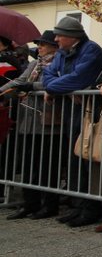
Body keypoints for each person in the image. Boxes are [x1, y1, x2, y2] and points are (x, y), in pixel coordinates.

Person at [41, 16, 102, 228]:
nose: (57, 39)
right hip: (74, 110)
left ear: (72, 36)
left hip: (90, 111)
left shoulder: (90, 50)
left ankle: (90, 208)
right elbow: (47, 76)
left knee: (87, 157)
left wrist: (54, 87)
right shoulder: (63, 52)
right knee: (75, 158)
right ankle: (78, 206)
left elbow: (79, 79)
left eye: (60, 35)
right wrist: (55, 86)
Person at [2, 30, 61, 220]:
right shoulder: (35, 63)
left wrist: (32, 87)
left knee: (46, 165)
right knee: (28, 164)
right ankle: (29, 203)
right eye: (39, 44)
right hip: (28, 119)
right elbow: (20, 80)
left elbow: (55, 84)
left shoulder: (59, 62)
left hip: (48, 121)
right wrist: (1, 91)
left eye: (43, 44)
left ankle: (48, 204)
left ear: (54, 46)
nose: (40, 47)